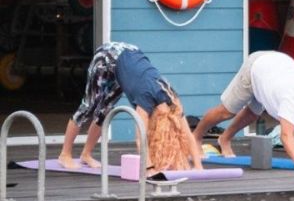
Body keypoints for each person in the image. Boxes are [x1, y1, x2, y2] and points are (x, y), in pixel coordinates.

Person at [59, 41, 202, 173]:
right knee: (88, 106)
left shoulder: (172, 99)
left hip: (129, 62)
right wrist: (149, 168)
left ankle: (86, 154)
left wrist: (198, 166)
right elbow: (140, 138)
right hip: (108, 56)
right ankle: (64, 154)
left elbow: (187, 134)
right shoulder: (145, 101)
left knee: (104, 111)